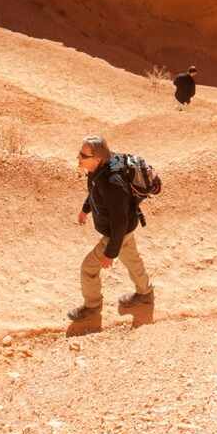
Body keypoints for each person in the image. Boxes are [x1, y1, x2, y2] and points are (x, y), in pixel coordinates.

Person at [67, 135, 154, 321]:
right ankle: (145, 292)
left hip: (118, 232)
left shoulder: (112, 183)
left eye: (83, 155)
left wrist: (110, 253)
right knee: (132, 261)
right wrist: (85, 210)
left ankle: (92, 306)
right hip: (126, 230)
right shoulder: (99, 170)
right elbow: (95, 192)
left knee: (88, 268)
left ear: (97, 158)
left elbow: (119, 221)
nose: (78, 158)